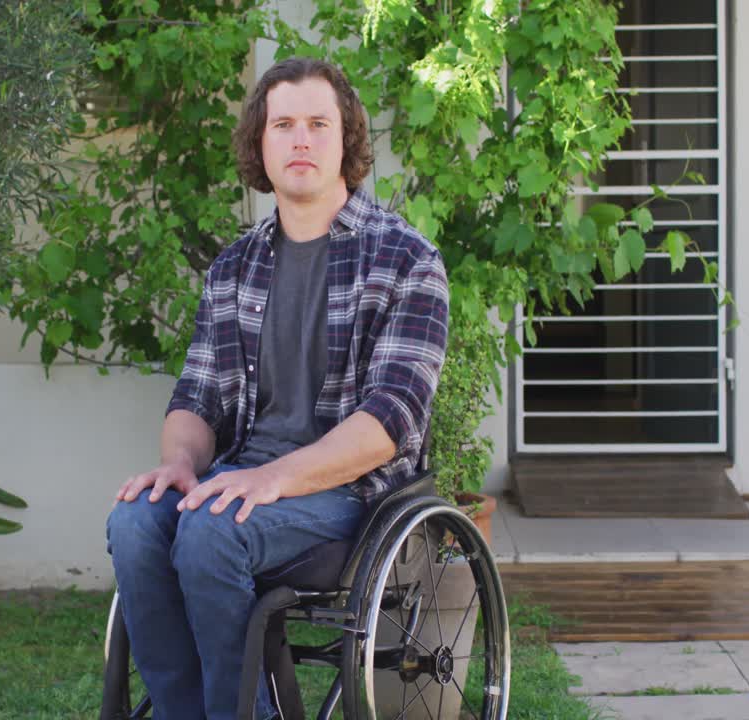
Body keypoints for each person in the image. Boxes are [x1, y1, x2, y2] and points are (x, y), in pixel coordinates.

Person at [105, 57, 449, 720]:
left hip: (350, 494)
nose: (299, 138)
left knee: (209, 532)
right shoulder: (235, 267)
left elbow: (392, 418)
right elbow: (197, 398)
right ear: (259, 145)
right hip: (243, 480)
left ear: (346, 141)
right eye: (283, 123)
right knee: (134, 522)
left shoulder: (406, 259)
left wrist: (278, 479)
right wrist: (179, 464)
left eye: (318, 124)